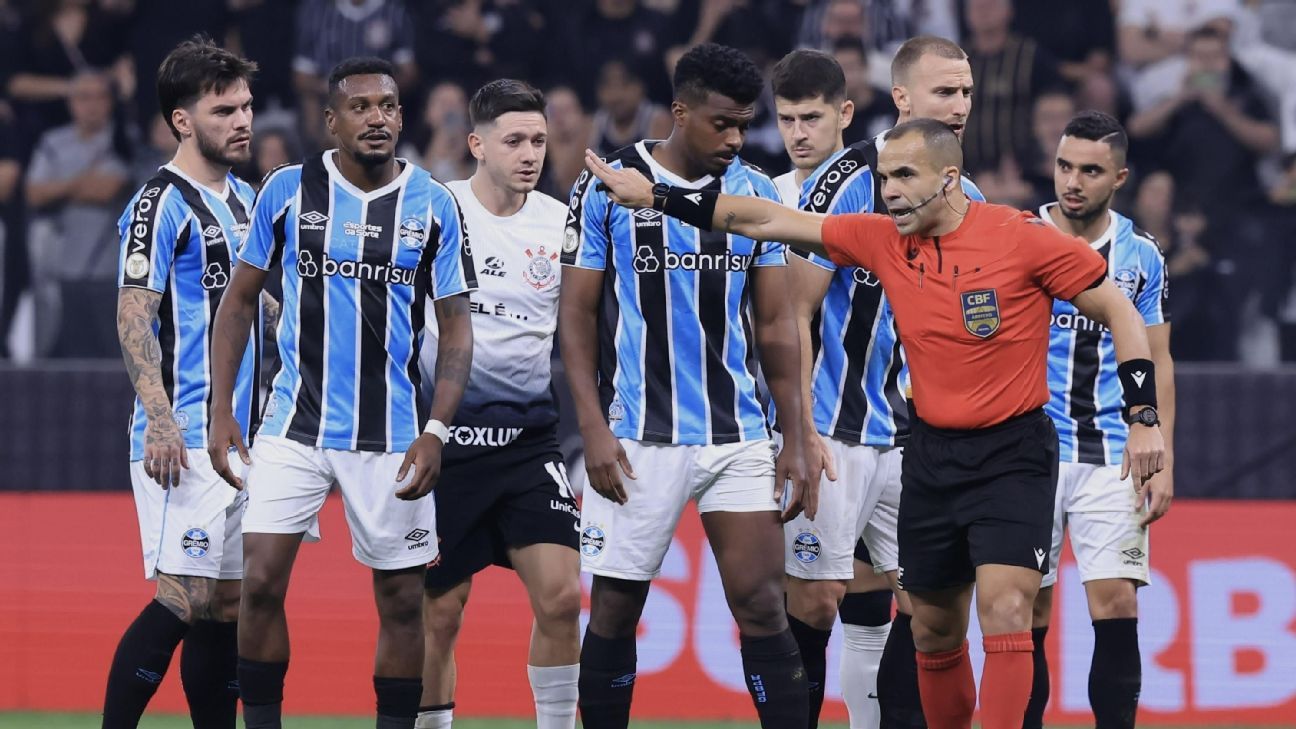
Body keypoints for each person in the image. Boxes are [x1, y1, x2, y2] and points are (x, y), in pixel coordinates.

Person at [583, 117, 1167, 729]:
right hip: (931, 455)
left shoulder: (1021, 237)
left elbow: (1121, 312)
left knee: (1006, 608)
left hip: (1013, 454)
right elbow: (763, 220)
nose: (889, 192)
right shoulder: (884, 240)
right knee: (934, 628)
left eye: (904, 177)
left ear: (949, 179)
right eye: (884, 178)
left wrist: (1144, 417)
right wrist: (657, 196)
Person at [205, 57, 476, 729]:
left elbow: (457, 330)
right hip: (294, 424)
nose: (377, 117)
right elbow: (238, 303)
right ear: (331, 120)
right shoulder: (286, 190)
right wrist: (221, 408)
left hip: (391, 433)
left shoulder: (434, 203)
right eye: (360, 107)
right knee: (257, 582)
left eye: (388, 105)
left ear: (401, 117)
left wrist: (436, 430)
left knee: (402, 601)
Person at [561, 42, 816, 729]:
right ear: (680, 112)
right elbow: (576, 316)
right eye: (721, 123)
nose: (734, 139)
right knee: (616, 609)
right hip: (638, 436)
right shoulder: (608, 184)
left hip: (737, 434)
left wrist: (795, 435)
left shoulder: (756, 192)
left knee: (762, 603)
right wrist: (593, 429)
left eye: (743, 125)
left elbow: (776, 325)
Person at [769, 38, 986, 729]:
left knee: (929, 606)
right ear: (902, 98)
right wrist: (800, 428)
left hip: (917, 440)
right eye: (945, 91)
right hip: (835, 427)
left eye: (966, 91)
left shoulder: (972, 199)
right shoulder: (847, 179)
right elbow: (796, 310)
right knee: (816, 598)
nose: (959, 104)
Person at [106, 37, 263, 729]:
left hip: (241, 438)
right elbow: (133, 310)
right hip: (184, 434)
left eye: (246, 106)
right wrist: (161, 419)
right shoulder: (159, 202)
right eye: (224, 110)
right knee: (183, 595)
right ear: (182, 120)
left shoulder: (248, 199)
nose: (242, 120)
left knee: (225, 605)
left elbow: (263, 308)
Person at [416, 79, 580, 729]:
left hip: (527, 445)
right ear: (477, 145)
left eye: (538, 140)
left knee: (562, 598)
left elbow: (585, 326)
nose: (530, 154)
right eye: (514, 141)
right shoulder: (435, 210)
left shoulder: (560, 224)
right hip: (445, 445)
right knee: (439, 612)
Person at [1024, 112, 1175, 729]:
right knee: (1026, 613)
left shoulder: (1141, 256)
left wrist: (1163, 456)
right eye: (1065, 166)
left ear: (1119, 178)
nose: (1073, 181)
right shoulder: (1019, 237)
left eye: (1090, 170)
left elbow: (1158, 359)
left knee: (1115, 606)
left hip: (1112, 453)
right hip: (1026, 454)